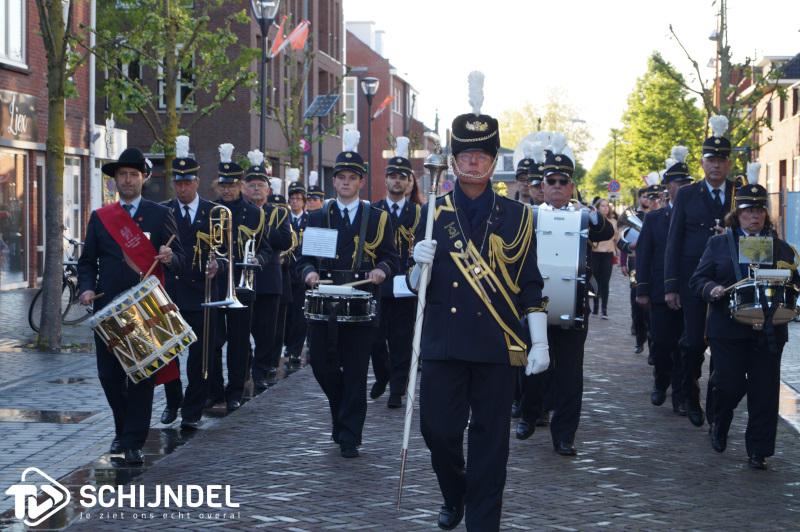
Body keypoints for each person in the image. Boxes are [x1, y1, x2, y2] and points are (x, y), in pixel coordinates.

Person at [410, 72, 548, 531]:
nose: (473, 161)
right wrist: (416, 266)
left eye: (482, 154)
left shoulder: (518, 216)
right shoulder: (432, 213)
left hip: (496, 344)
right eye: (465, 153)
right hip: (444, 344)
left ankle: (483, 521)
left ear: (493, 159)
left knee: (491, 444)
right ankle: (455, 492)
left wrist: (540, 340)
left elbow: (530, 283)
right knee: (439, 431)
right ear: (453, 160)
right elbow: (416, 287)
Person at [296, 129, 399, 459]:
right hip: (324, 302)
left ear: (360, 182)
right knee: (322, 368)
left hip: (362, 302)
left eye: (351, 178)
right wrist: (308, 272)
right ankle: (341, 414)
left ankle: (350, 435)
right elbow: (305, 259)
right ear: (334, 181)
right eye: (340, 177)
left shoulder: (378, 219)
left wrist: (382, 270)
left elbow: (391, 257)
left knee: (355, 371)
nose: (344, 182)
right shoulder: (318, 215)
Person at [77, 147, 184, 465]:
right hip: (108, 308)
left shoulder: (159, 214)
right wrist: (85, 289)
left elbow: (180, 257)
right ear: (115, 180)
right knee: (109, 376)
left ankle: (134, 441)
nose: (127, 179)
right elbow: (87, 263)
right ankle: (122, 429)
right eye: (122, 174)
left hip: (145, 309)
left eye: (133, 174)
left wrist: (170, 258)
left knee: (142, 377)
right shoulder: (100, 218)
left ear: (144, 178)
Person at [515, 133, 614, 456]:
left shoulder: (583, 216)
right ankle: (529, 415)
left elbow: (606, 232)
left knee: (570, 374)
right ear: (541, 186)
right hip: (536, 307)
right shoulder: (528, 216)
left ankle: (564, 435)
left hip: (573, 305)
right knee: (533, 366)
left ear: (571, 187)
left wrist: (591, 210)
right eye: (551, 181)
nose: (557, 186)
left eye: (563, 181)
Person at [689, 178, 799, 470]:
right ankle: (720, 419)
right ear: (737, 214)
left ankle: (758, 451)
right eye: (749, 211)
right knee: (729, 384)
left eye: (760, 211)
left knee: (764, 393)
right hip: (728, 327)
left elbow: (795, 284)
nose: (755, 216)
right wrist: (711, 289)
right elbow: (697, 279)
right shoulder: (718, 244)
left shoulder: (782, 249)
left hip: (769, 329)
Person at [665, 115, 735, 427]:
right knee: (693, 342)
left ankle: (718, 405)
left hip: (730, 282)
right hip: (693, 280)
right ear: (702, 163)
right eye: (711, 160)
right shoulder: (688, 195)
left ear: (729, 164)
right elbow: (674, 240)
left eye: (721, 160)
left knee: (724, 348)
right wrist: (671, 285)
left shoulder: (739, 194)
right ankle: (689, 395)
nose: (716, 166)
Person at [161, 136, 219, 430]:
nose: (183, 188)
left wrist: (218, 263)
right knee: (168, 354)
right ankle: (173, 400)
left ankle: (192, 409)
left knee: (200, 356)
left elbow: (225, 249)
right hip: (170, 293)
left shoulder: (214, 212)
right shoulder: (163, 210)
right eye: (178, 183)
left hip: (201, 292)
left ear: (197, 182)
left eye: (188, 182)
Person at [208, 143, 271, 412]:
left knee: (238, 341)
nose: (227, 190)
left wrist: (258, 259)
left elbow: (265, 247)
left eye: (232, 185)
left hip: (242, 287)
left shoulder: (254, 213)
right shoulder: (209, 210)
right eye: (223, 185)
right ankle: (213, 391)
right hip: (215, 284)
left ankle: (235, 390)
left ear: (240, 186)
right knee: (212, 341)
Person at [635, 147, 693, 413]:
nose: (682, 187)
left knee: (687, 346)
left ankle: (681, 396)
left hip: (690, 291)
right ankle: (661, 381)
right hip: (659, 291)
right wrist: (643, 290)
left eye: (686, 183)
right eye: (678, 183)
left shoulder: (696, 218)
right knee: (660, 342)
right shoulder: (655, 218)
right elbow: (645, 255)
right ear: (668, 187)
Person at [370, 137, 421, 408]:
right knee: (375, 339)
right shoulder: (374, 210)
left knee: (402, 341)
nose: (397, 181)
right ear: (386, 180)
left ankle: (397, 390)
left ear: (409, 181)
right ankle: (382, 375)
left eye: (402, 177)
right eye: (393, 176)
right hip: (379, 283)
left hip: (406, 284)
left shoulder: (418, 213)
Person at [240, 153, 293, 391]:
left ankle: (261, 371)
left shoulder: (280, 213)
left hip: (269, 279)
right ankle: (245, 366)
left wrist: (261, 227)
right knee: (242, 328)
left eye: (260, 185)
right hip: (243, 279)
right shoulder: (239, 211)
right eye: (251, 185)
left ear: (268, 190)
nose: (256, 189)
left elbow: (284, 241)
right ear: (244, 188)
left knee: (266, 331)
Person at [284, 180, 309, 364]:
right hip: (286, 270)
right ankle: (288, 343)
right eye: (292, 199)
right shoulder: (284, 218)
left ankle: (295, 349)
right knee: (286, 312)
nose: (294, 202)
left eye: (298, 199)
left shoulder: (309, 220)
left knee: (300, 313)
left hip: (301, 272)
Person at [590, 198, 618, 318]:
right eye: (602, 206)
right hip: (595, 254)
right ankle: (595, 307)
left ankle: (604, 309)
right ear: (598, 207)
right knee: (595, 281)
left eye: (607, 206)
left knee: (605, 282)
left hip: (608, 254)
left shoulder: (613, 222)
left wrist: (619, 254)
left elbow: (616, 239)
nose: (605, 208)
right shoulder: (592, 221)